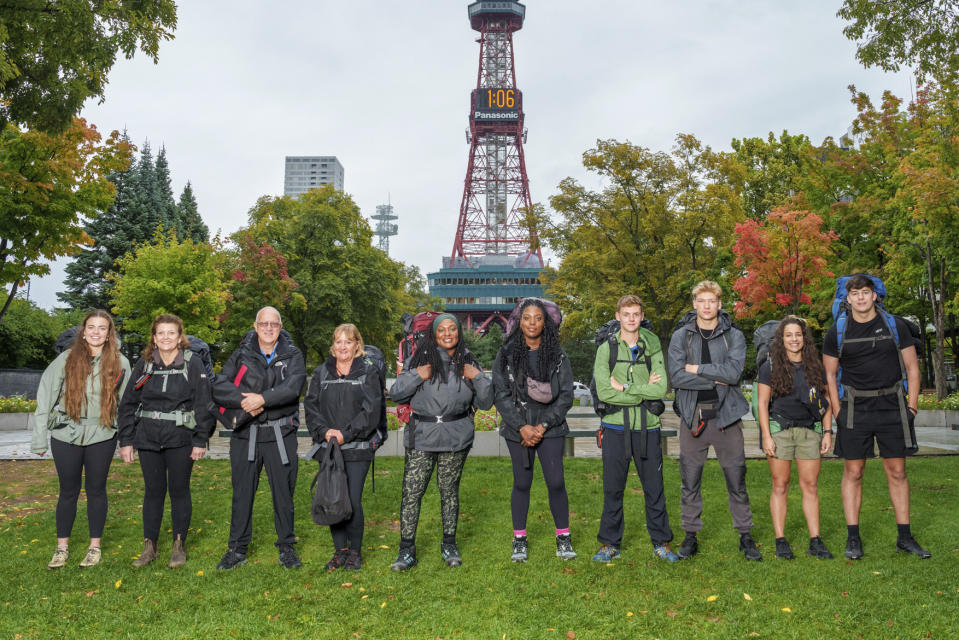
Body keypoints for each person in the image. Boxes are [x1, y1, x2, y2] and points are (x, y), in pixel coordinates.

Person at [822, 275, 928, 559]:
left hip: (893, 407)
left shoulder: (896, 326)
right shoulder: (837, 332)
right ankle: (853, 537)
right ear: (847, 298)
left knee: (897, 472)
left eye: (865, 292)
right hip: (855, 409)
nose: (860, 298)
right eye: (854, 293)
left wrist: (913, 407)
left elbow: (912, 369)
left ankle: (904, 537)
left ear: (874, 296)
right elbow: (830, 375)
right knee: (853, 472)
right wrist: (838, 411)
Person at [388, 313, 493, 570]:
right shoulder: (419, 360)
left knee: (449, 493)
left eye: (453, 329)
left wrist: (477, 377)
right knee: (412, 493)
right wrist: (418, 375)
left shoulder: (468, 361)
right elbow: (396, 393)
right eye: (442, 329)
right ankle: (406, 550)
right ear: (434, 334)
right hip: (422, 436)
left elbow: (486, 402)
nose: (448, 333)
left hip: (455, 437)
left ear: (459, 332)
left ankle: (449, 545)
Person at [31, 310, 131, 569]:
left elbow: (128, 404)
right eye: (91, 327)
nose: (96, 332)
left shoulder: (121, 363)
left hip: (102, 434)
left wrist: (127, 439)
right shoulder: (65, 359)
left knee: (97, 490)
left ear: (109, 333)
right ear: (83, 331)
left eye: (102, 328)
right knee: (67, 491)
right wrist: (39, 439)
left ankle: (94, 547)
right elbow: (45, 397)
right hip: (66, 434)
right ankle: (61, 548)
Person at [668, 281, 759, 561]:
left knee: (736, 477)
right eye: (701, 300)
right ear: (694, 304)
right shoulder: (681, 336)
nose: (707, 306)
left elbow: (733, 374)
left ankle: (745, 535)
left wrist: (696, 368)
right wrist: (713, 375)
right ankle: (690, 536)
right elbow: (676, 376)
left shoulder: (733, 336)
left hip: (726, 416)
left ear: (720, 304)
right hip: (692, 416)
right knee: (690, 480)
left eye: (712, 301)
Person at [117, 314, 216, 568]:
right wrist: (126, 440)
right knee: (153, 492)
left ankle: (178, 545)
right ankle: (149, 546)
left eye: (171, 333)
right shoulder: (145, 364)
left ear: (179, 336)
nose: (166, 338)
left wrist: (200, 440)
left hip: (180, 438)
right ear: (154, 337)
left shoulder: (192, 364)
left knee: (179, 490)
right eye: (161, 333)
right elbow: (127, 403)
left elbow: (204, 404)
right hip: (148, 438)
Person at [213, 306, 307, 570]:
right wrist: (245, 403)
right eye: (263, 324)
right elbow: (219, 384)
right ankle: (237, 548)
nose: (268, 328)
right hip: (247, 435)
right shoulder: (242, 353)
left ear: (280, 326)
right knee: (242, 494)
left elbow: (293, 388)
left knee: (284, 495)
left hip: (281, 434)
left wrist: (263, 399)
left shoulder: (293, 354)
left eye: (273, 324)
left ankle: (287, 547)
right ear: (255, 326)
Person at [591, 295, 676, 563]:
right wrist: (642, 391)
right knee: (612, 488)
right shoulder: (607, 347)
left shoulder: (651, 343)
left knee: (654, 488)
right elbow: (604, 392)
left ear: (641, 316)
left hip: (648, 427)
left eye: (636, 314)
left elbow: (660, 389)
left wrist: (625, 388)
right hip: (615, 427)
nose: (631, 318)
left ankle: (661, 542)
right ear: (618, 316)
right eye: (626, 314)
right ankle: (609, 544)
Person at [492, 299, 576, 562]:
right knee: (521, 482)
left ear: (545, 322)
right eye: (527, 318)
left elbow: (565, 396)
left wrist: (542, 425)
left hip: (550, 426)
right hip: (518, 426)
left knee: (556, 482)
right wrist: (522, 426)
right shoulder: (506, 354)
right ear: (519, 321)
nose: (532, 323)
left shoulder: (558, 355)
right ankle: (519, 539)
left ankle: (563, 537)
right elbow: (501, 394)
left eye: (537, 318)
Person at [304, 324, 383, 571]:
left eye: (348, 342)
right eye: (338, 342)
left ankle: (355, 552)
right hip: (329, 447)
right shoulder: (321, 373)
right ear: (333, 345)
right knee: (333, 497)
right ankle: (340, 552)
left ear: (357, 345)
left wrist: (345, 434)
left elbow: (371, 412)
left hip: (357, 447)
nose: (343, 347)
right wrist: (325, 433)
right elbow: (311, 407)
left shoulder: (368, 373)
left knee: (353, 500)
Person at [756, 316, 833, 560]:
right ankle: (780, 540)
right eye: (788, 335)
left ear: (804, 338)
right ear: (781, 339)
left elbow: (826, 401)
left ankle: (815, 540)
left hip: (810, 431)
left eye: (798, 334)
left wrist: (828, 432)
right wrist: (767, 436)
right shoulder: (769, 367)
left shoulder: (815, 367)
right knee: (781, 485)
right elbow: (762, 403)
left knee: (810, 486)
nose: (794, 339)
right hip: (781, 431)